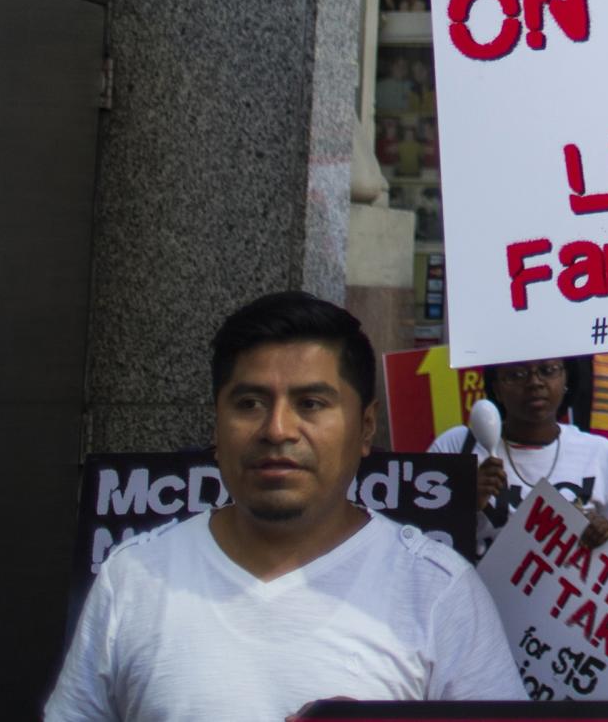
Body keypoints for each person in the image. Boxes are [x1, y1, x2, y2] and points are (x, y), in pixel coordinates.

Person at [47, 293, 521, 718]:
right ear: (217, 423)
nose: (277, 430)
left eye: (311, 403)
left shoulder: (438, 592)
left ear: (366, 426)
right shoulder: (134, 578)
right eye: (250, 403)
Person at [429, 355, 608, 551]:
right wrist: (465, 501)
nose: (535, 382)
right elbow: (415, 535)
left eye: (548, 370)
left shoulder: (602, 454)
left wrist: (606, 536)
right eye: (517, 375)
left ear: (566, 378)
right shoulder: (457, 446)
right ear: (496, 388)